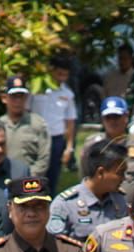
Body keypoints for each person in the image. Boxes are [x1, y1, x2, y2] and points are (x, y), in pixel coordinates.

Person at [49, 140, 129, 241]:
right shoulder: (65, 204)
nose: (124, 178)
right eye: (120, 173)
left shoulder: (120, 200)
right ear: (100, 172)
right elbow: (55, 244)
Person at [31, 57, 79, 189]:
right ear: (51, 71)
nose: (62, 78)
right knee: (34, 175)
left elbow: (70, 121)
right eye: (59, 74)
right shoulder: (36, 89)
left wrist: (69, 147)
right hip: (35, 137)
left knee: (52, 176)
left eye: (65, 75)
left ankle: (49, 199)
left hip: (56, 139)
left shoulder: (68, 94)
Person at [0, 76, 51, 178]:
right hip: (2, 179)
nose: (18, 101)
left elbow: (44, 159)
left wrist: (27, 176)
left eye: (21, 96)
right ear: (4, 98)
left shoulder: (38, 124)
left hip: (30, 180)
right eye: (14, 96)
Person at [79, 96, 131, 182]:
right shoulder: (92, 143)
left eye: (116, 116)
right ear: (102, 119)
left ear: (126, 117)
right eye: (108, 117)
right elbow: (85, 175)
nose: (112, 121)